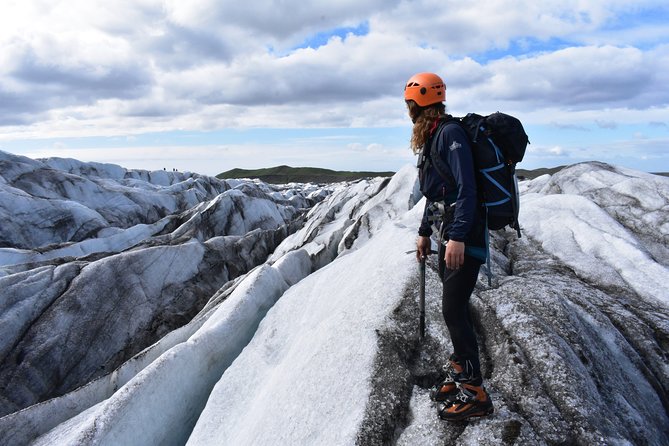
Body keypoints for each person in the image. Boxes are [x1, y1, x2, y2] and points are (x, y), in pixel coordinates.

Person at [405, 72, 494, 421]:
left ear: (420, 103)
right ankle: (461, 374)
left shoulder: (450, 134)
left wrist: (457, 237)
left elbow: (467, 189)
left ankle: (475, 393)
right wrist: (425, 231)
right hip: (448, 232)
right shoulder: (433, 136)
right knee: (453, 308)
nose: (408, 110)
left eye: (410, 104)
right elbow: (438, 192)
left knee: (453, 310)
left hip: (463, 234)